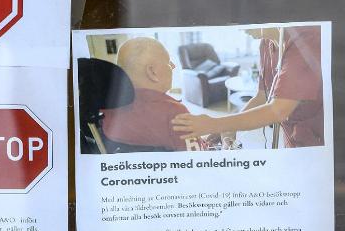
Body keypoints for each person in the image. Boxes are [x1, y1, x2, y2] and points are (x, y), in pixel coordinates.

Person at [171, 25, 324, 148]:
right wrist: (230, 127)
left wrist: (214, 124)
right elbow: (262, 97)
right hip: (291, 135)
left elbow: (279, 110)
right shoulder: (266, 44)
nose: (241, 28)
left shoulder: (307, 37)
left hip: (317, 139)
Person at [100, 37, 192, 151]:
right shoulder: (175, 113)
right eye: (168, 62)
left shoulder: (106, 109)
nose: (173, 66)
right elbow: (196, 159)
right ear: (152, 72)